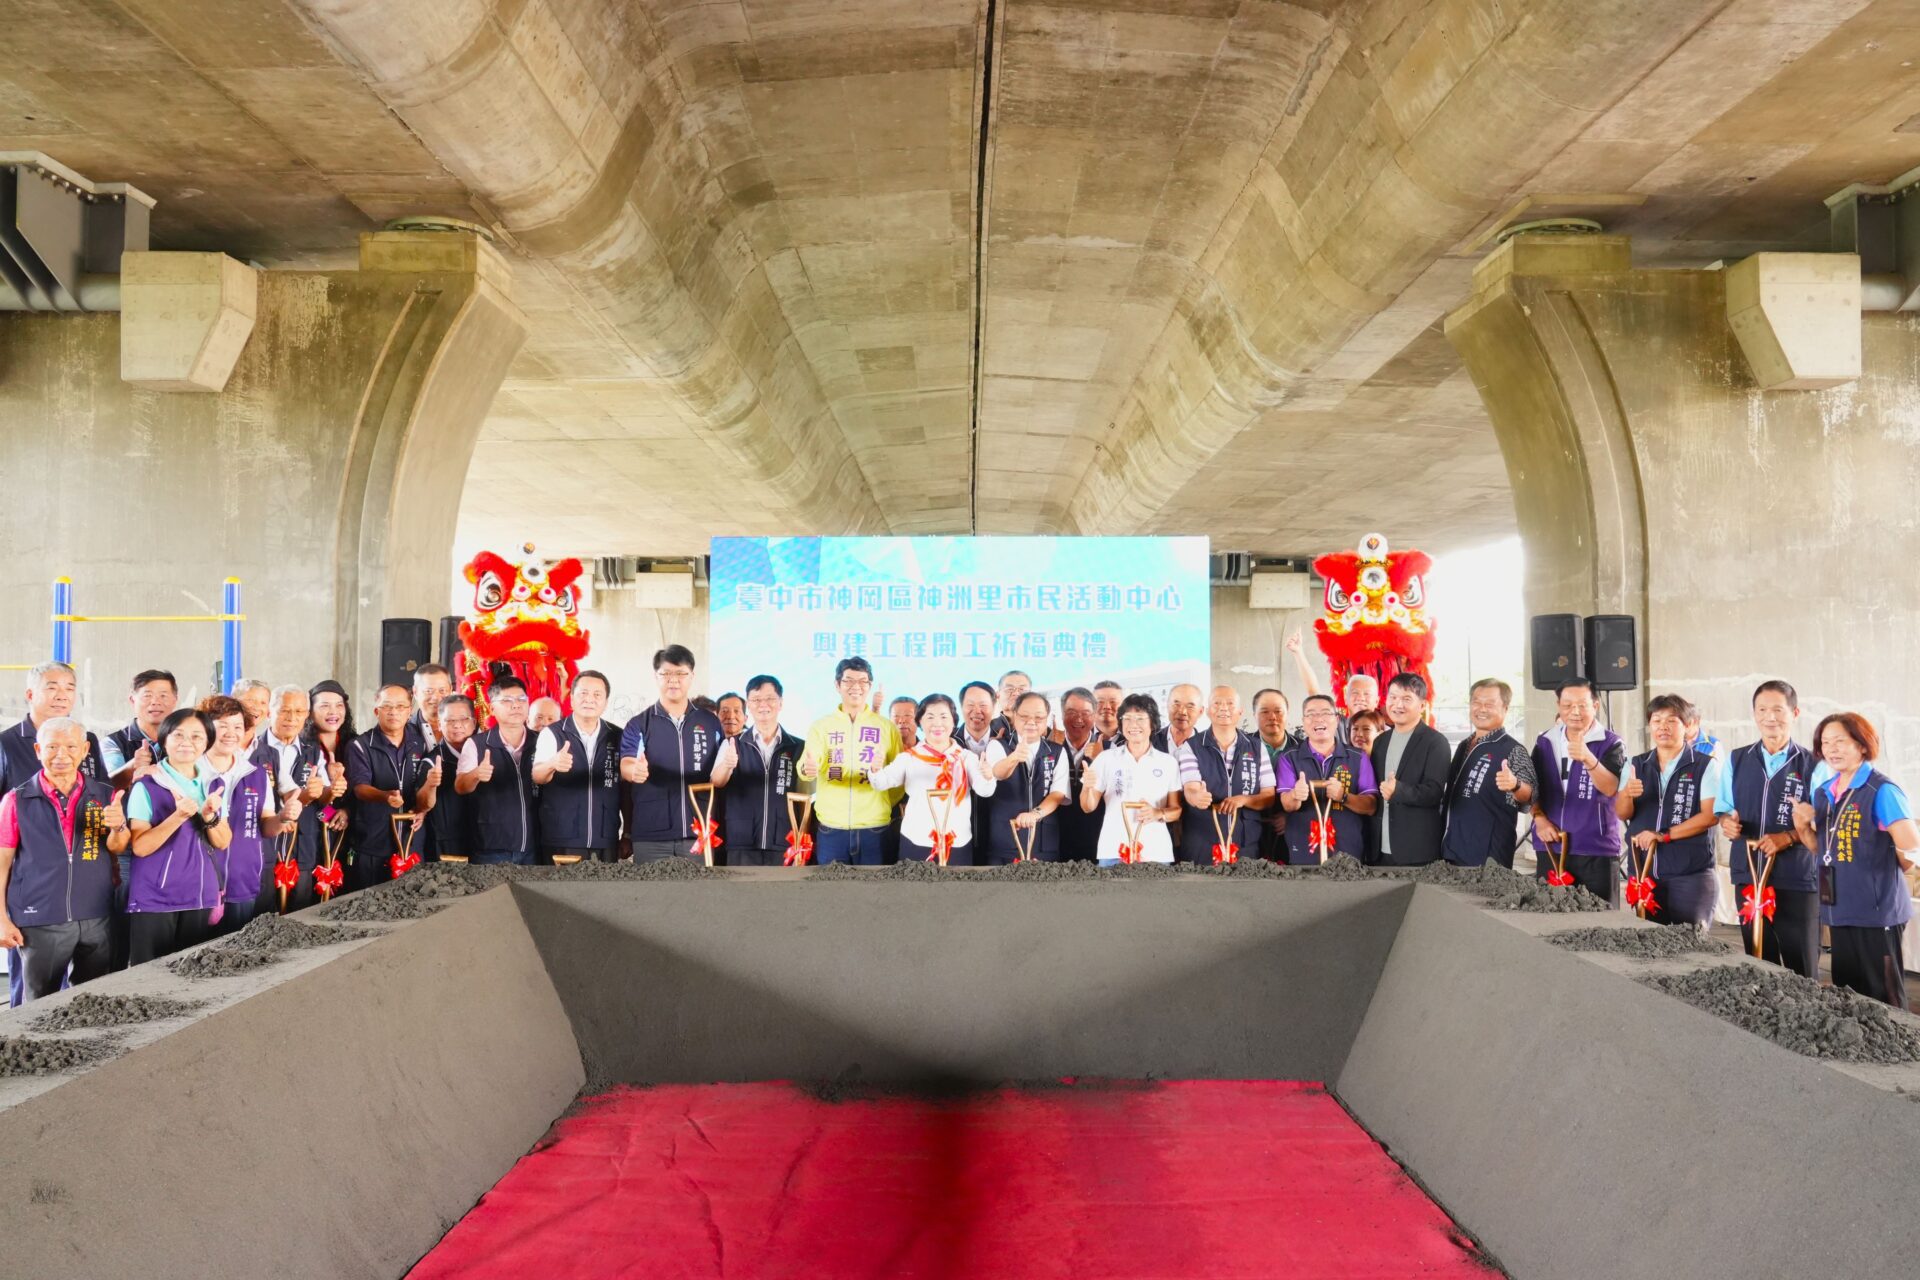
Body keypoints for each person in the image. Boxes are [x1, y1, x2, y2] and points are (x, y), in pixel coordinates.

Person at [1793, 712, 1919, 1007]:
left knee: (1882, 995)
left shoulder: (1881, 790)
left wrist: (1879, 879)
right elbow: (1820, 849)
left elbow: (1911, 849)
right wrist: (1801, 827)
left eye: (1841, 741)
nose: (1832, 749)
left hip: (1875, 913)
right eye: (1825, 743)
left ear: (1862, 745)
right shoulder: (1824, 793)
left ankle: (1895, 1052)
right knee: (1848, 993)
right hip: (1838, 907)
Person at [0, 717, 127, 1003]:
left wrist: (119, 826)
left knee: (91, 1000)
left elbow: (117, 848)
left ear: (84, 750)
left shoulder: (104, 795)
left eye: (71, 746)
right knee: (37, 1003)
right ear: (37, 750)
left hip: (96, 915)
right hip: (39, 918)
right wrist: (1, 918)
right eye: (52, 747)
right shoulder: (16, 800)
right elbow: (2, 862)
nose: (61, 755)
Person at [1714, 680, 1818, 977]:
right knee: (1759, 961)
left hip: (1797, 877)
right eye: (1762, 709)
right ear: (1754, 714)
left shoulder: (1814, 764)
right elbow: (1723, 808)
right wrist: (1727, 823)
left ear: (1795, 712)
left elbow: (1825, 822)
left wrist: (1788, 837)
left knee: (1802, 965)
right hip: (1749, 872)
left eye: (1778, 709)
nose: (1770, 717)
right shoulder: (1737, 759)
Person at [123, 708, 229, 964]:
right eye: (178, 735)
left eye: (196, 737)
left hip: (199, 896)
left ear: (207, 743)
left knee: (190, 982)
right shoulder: (146, 785)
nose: (187, 743)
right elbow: (140, 847)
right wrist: (177, 817)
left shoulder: (213, 785)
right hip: (155, 900)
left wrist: (209, 817)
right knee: (148, 980)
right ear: (165, 739)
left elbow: (223, 841)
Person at [620, 646, 735, 862]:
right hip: (651, 834)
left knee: (697, 895)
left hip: (699, 830)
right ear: (656, 677)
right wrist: (633, 770)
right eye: (666, 674)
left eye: (681, 673)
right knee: (651, 895)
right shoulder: (639, 724)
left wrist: (728, 764)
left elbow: (717, 776)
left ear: (692, 676)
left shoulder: (710, 723)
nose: (674, 680)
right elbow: (627, 761)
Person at [197, 695, 294, 931]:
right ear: (206, 729)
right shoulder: (192, 771)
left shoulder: (255, 773)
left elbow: (266, 826)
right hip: (198, 883)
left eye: (238, 727)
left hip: (243, 879)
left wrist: (283, 818)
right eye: (223, 726)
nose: (231, 733)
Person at [869, 694, 996, 865]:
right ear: (920, 722)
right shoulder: (909, 758)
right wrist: (875, 769)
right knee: (916, 891)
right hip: (916, 840)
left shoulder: (966, 758)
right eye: (930, 717)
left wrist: (988, 776)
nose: (937, 724)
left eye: (944, 717)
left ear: (953, 721)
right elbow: (881, 783)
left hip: (957, 840)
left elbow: (984, 790)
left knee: (956, 891)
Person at [1529, 678, 1625, 904]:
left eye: (1582, 705)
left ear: (1596, 705)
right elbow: (1531, 786)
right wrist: (1539, 818)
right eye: (1567, 705)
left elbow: (1611, 788)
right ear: (1558, 706)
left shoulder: (1610, 743)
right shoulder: (1545, 741)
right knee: (1551, 919)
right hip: (1550, 845)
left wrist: (1587, 757)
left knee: (1600, 923)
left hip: (1596, 849)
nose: (1575, 711)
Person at [799, 657, 900, 865]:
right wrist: (807, 769)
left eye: (863, 681)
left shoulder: (887, 728)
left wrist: (880, 804)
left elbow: (898, 779)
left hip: (875, 828)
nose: (856, 687)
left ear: (870, 686)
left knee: (875, 895)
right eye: (848, 681)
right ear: (837, 685)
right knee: (833, 895)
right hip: (831, 828)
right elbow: (805, 765)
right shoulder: (821, 726)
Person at [348, 684, 441, 888]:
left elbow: (423, 787)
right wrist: (384, 796)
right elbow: (360, 788)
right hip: (374, 841)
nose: (394, 712)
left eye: (400, 706)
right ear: (376, 711)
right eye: (387, 706)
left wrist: (423, 810)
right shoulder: (360, 745)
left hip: (412, 839)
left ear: (409, 711)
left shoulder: (420, 744)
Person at [1174, 686, 1274, 864]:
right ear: (1207, 711)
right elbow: (1190, 789)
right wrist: (1197, 797)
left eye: (1230, 704)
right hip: (1201, 844)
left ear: (1240, 711)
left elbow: (1269, 796)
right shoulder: (1191, 747)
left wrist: (1243, 800)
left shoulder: (1256, 747)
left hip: (1246, 845)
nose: (1223, 708)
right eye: (1217, 703)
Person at [1275, 694, 1378, 864]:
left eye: (1325, 713)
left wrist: (1344, 796)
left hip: (1347, 850)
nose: (1318, 719)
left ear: (1337, 720)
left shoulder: (1357, 757)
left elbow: (1371, 806)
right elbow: (1287, 804)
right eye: (1311, 714)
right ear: (1303, 720)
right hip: (1303, 847)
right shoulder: (1288, 758)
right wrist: (1295, 795)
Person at [1443, 678, 1535, 868]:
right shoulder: (1464, 745)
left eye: (1490, 704)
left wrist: (1515, 784)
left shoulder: (1513, 749)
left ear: (1505, 709)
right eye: (1476, 702)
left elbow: (1530, 796)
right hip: (1453, 847)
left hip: (1488, 855)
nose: (1481, 709)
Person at [1080, 694, 1180, 866]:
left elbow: (1176, 810)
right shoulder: (1106, 758)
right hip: (1113, 849)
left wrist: (1158, 813)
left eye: (1140, 718)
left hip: (1156, 851)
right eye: (1127, 719)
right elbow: (1088, 807)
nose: (1133, 725)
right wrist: (1087, 787)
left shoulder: (1168, 762)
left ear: (1153, 724)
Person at [719, 675, 806, 867]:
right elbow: (716, 781)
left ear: (780, 703)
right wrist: (727, 764)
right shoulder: (733, 744)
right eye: (756, 700)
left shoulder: (798, 747)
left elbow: (806, 793)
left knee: (781, 896)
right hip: (742, 841)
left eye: (770, 699)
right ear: (748, 705)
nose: (763, 705)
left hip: (784, 840)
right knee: (740, 897)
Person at [533, 670, 620, 863]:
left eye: (597, 695)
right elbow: (537, 775)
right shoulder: (553, 733)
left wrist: (628, 834)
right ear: (571, 699)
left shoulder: (617, 735)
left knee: (604, 893)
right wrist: (552, 763)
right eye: (583, 693)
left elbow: (626, 790)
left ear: (606, 702)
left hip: (605, 837)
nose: (590, 699)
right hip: (561, 837)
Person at [456, 676, 540, 865]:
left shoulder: (541, 741)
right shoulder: (477, 744)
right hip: (491, 847)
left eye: (521, 700)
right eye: (507, 701)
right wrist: (476, 774)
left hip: (535, 845)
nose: (516, 706)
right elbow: (460, 786)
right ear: (492, 708)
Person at [1369, 674, 1451, 868]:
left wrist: (1399, 791)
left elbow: (1434, 792)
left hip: (1415, 849)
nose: (1398, 704)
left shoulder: (1436, 742)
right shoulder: (1380, 742)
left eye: (1407, 699)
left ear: (1422, 706)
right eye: (1393, 697)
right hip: (1378, 849)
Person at [260, 685, 329, 910]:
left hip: (303, 844)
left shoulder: (313, 751)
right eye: (284, 711)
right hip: (265, 845)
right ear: (269, 712)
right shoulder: (254, 749)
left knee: (300, 910)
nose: (292, 718)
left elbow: (325, 804)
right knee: (264, 911)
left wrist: (333, 791)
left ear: (307, 716)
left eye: (299, 712)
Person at [0, 662, 107, 806]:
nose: (62, 696)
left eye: (69, 688)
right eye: (52, 688)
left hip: (81, 827)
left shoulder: (87, 739)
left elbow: (103, 791)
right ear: (30, 695)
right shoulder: (5, 743)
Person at [983, 691, 1072, 864]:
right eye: (1024, 716)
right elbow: (997, 773)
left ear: (1046, 719)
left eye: (1038, 718)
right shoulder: (997, 745)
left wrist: (1035, 814)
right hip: (1004, 840)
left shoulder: (1057, 751)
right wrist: (1014, 757)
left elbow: (1058, 794)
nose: (1031, 722)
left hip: (1044, 842)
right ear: (1014, 716)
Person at [102, 669, 179, 792]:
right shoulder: (113, 742)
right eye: (147, 696)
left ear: (175, 700)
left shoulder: (184, 740)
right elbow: (106, 786)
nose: (155, 702)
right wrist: (132, 766)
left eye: (163, 696)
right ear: (132, 700)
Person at [1251, 688, 1303, 860]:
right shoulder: (1242, 747)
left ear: (1287, 714)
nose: (1272, 717)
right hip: (1251, 828)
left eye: (1278, 711)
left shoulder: (1303, 749)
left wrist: (1291, 817)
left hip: (1292, 832)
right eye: (1264, 711)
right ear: (1254, 714)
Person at [1054, 687, 1105, 862]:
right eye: (1071, 712)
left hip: (1095, 835)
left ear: (1095, 715)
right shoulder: (1049, 746)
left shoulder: (1108, 750)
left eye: (1086, 713)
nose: (1078, 719)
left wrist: (1102, 758)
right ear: (1061, 715)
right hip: (1055, 836)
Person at [427, 696, 478, 861]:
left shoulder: (487, 753)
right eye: (449, 720)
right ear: (439, 725)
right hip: (447, 843)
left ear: (474, 722)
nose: (457, 725)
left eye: (464, 719)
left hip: (484, 839)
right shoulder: (431, 760)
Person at [407, 664, 454, 752]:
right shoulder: (403, 732)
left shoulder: (466, 727)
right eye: (428, 691)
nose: (436, 697)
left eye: (442, 690)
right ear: (415, 692)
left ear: (451, 690)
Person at [1152, 683, 1202, 754]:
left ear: (1200, 711)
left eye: (1190, 706)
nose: (1182, 712)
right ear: (1167, 705)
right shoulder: (1150, 741)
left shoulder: (1208, 749)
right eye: (1177, 704)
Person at [957, 681, 1004, 754]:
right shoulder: (948, 739)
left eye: (983, 705)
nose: (977, 711)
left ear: (994, 708)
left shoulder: (1005, 740)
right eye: (970, 704)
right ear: (961, 707)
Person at [231, 679, 274, 759]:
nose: (257, 707)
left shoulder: (272, 754)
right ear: (234, 702)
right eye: (250, 700)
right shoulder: (214, 745)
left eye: (263, 703)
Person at [989, 670, 1031, 741]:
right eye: (1010, 689)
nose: (1016, 693)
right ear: (998, 695)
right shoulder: (986, 729)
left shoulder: (1041, 729)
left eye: (1022, 689)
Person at [1093, 681, 1124, 746]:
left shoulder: (1134, 735)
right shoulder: (1078, 736)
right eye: (1100, 702)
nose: (1107, 707)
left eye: (1113, 702)